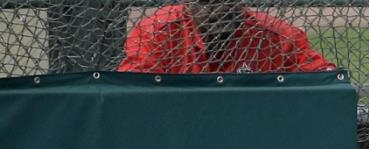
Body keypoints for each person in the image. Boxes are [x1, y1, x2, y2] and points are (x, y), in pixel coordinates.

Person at [119, 0, 335, 74]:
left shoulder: (277, 36)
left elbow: (325, 81)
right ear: (188, 4)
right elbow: (131, 92)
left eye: (226, 0)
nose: (218, 11)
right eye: (206, 3)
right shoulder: (156, 33)